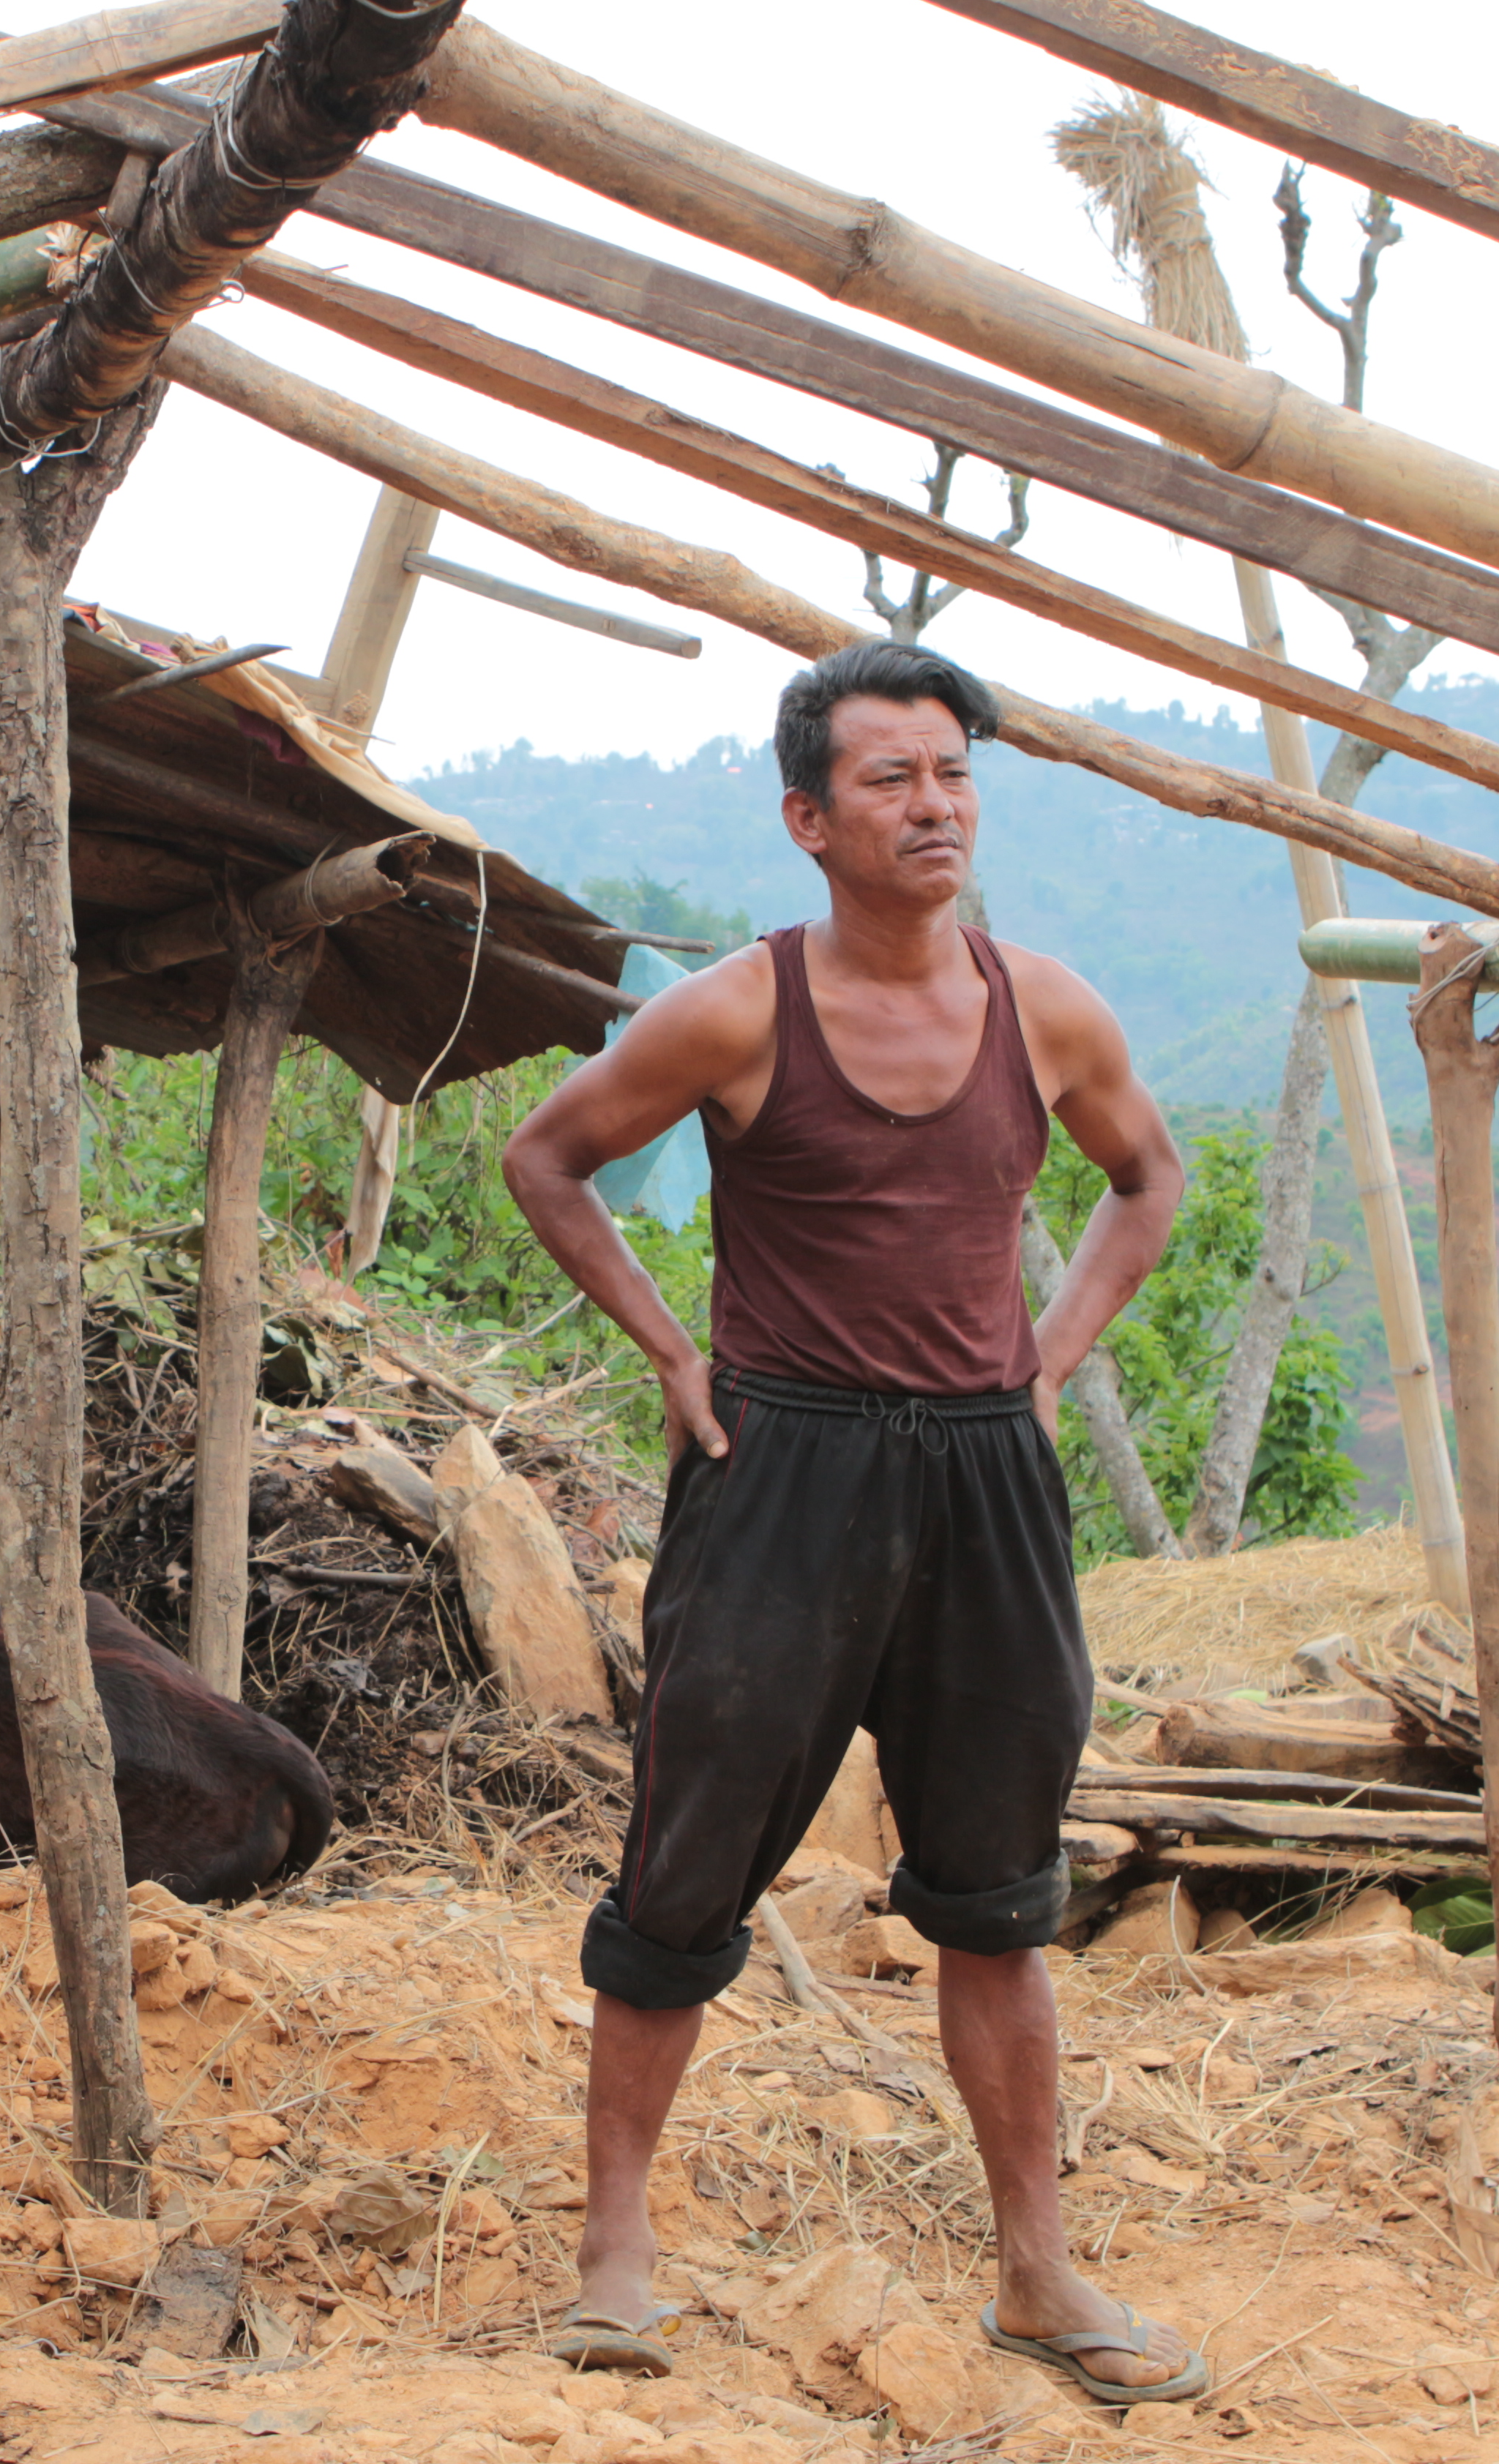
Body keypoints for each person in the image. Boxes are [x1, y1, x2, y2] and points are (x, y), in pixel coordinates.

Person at [501, 640, 1197, 2405]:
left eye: (954, 772)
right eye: (892, 779)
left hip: (984, 1481)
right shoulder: (741, 1009)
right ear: (810, 820)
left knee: (999, 1893)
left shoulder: (1042, 1007)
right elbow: (546, 1155)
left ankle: (1038, 2276)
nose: (935, 803)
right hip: (784, 1472)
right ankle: (616, 2259)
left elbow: (1147, 1175)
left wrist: (1049, 1362)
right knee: (684, 1870)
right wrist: (671, 1349)